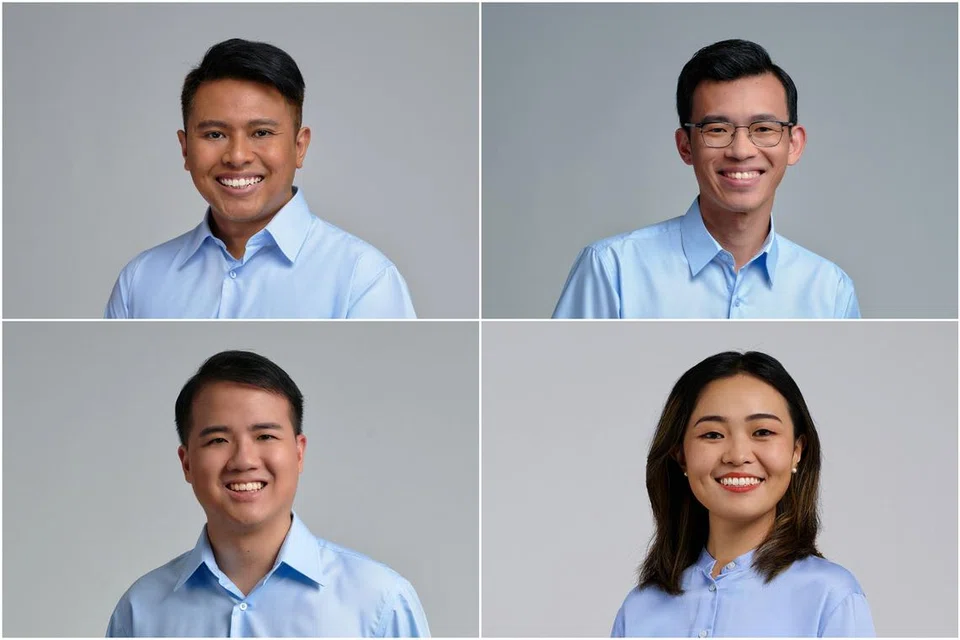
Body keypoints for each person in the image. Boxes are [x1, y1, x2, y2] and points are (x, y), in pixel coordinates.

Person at [106, 350, 430, 637]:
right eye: (218, 440)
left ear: (299, 453)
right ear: (187, 462)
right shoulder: (139, 613)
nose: (244, 460)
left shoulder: (381, 603)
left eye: (265, 436)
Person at [105, 39, 416, 318]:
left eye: (261, 133)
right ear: (185, 149)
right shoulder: (140, 282)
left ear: (299, 146)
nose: (237, 156)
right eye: (215, 134)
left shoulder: (363, 280)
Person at [554, 40, 859, 319]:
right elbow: (557, 378)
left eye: (764, 128)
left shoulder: (830, 292)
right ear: (685, 145)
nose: (741, 150)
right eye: (717, 130)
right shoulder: (612, 271)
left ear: (793, 144)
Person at [611, 351, 874, 637]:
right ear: (681, 455)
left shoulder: (831, 597)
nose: (737, 455)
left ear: (797, 450)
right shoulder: (639, 609)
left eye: (762, 432)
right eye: (712, 434)